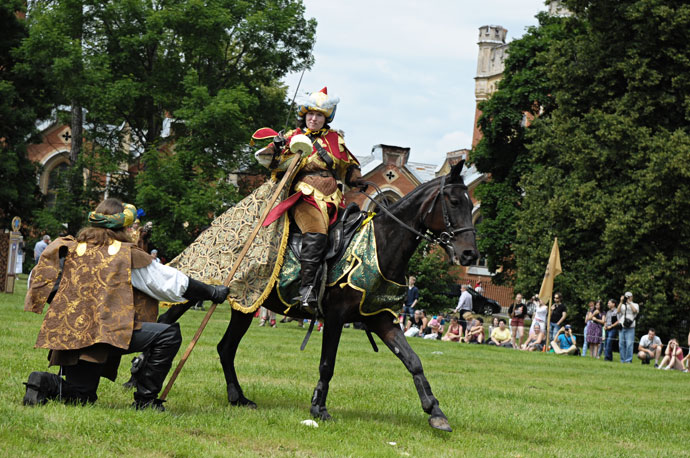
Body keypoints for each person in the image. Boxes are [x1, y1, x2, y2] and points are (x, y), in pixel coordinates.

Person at [22, 199, 230, 410]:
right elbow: (172, 284)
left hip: (73, 335)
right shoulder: (125, 255)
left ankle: (42, 382)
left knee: (81, 397)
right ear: (123, 227)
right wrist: (212, 291)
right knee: (168, 335)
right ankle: (145, 401)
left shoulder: (71, 249)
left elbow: (36, 280)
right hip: (107, 333)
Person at [257, 87, 363, 310]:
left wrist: (357, 178)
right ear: (304, 115)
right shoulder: (291, 137)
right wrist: (276, 149)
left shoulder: (336, 139)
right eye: (310, 114)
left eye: (319, 115)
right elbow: (269, 162)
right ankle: (307, 291)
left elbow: (348, 165)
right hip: (303, 195)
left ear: (326, 118)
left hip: (334, 199)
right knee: (316, 231)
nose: (314, 118)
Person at [617, 292, 639, 363]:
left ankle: (628, 360)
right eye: (627, 297)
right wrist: (621, 301)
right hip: (622, 325)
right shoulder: (623, 305)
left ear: (632, 297)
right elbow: (618, 311)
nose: (628, 298)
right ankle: (622, 360)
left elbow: (635, 311)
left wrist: (629, 303)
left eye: (629, 297)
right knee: (621, 344)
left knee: (629, 344)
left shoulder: (635, 304)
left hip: (630, 327)